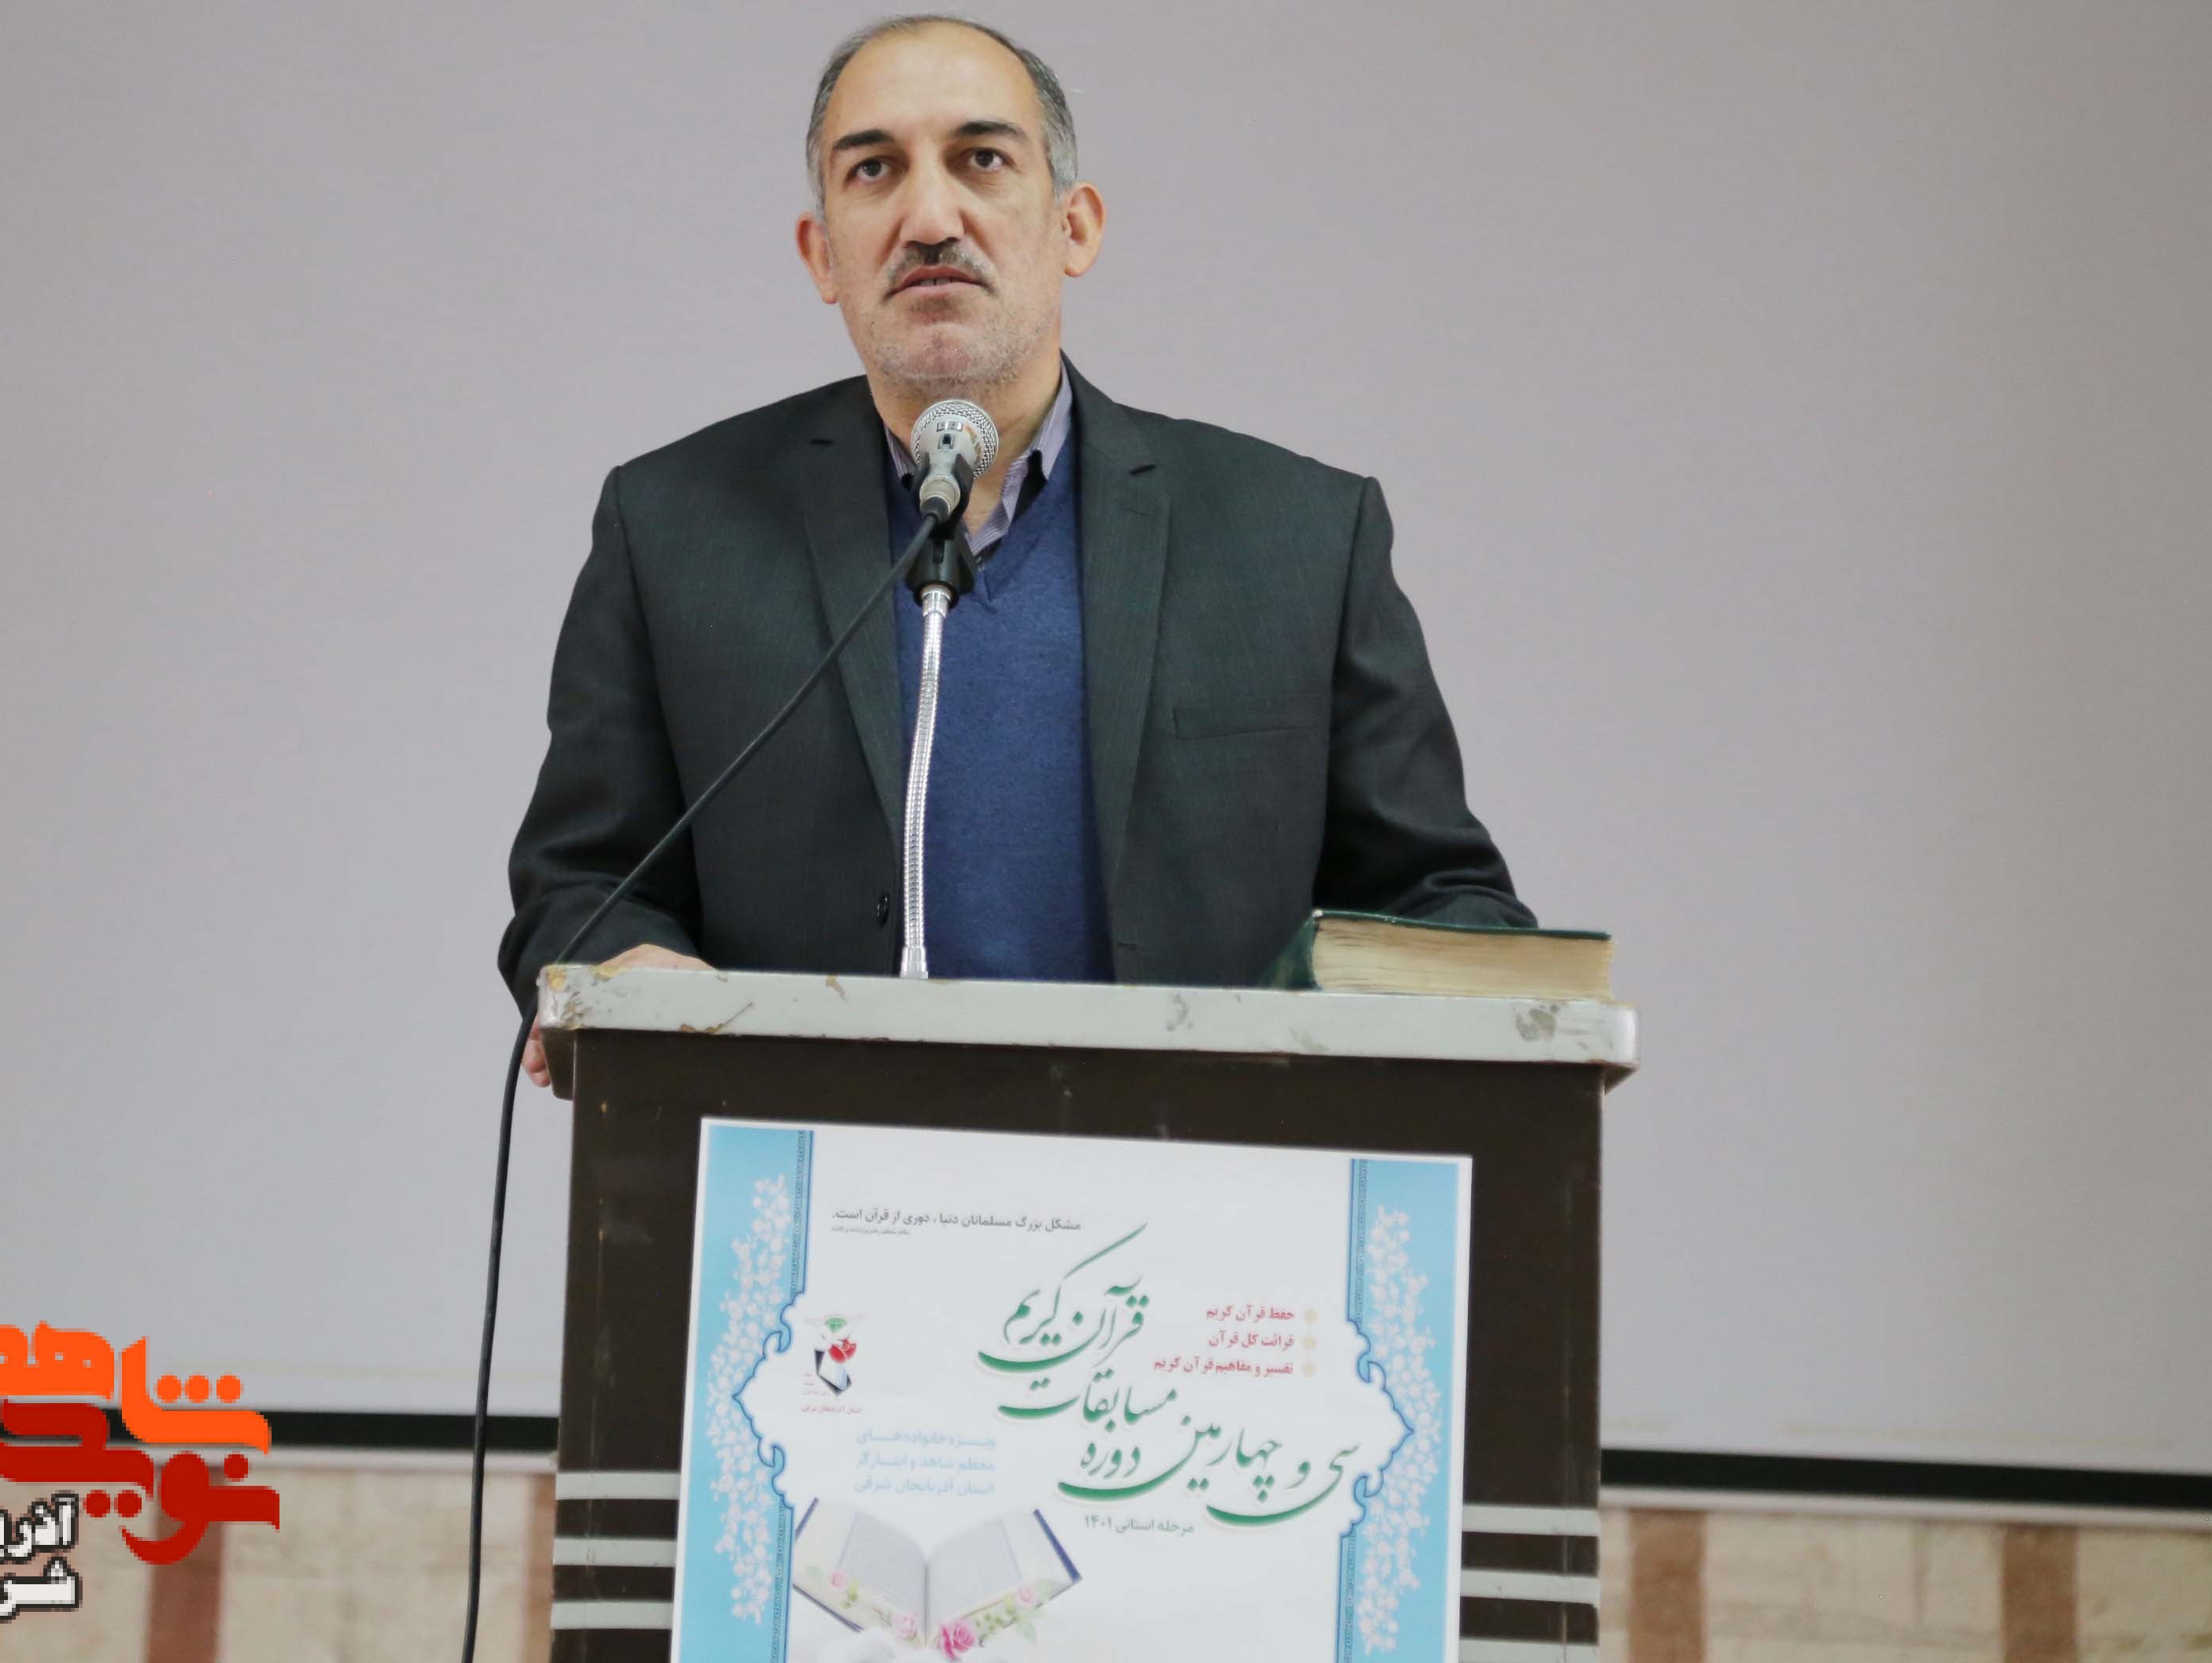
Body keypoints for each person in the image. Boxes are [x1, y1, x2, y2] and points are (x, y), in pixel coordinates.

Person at [502, 15, 1530, 1087]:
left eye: (982, 160)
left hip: (1190, 1165)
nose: (929, 217)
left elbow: (1438, 905)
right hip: (807, 1161)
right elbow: (585, 885)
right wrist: (626, 971)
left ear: (1074, 227)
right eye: (874, 170)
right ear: (823, 254)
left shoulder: (1299, 539)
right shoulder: (674, 528)